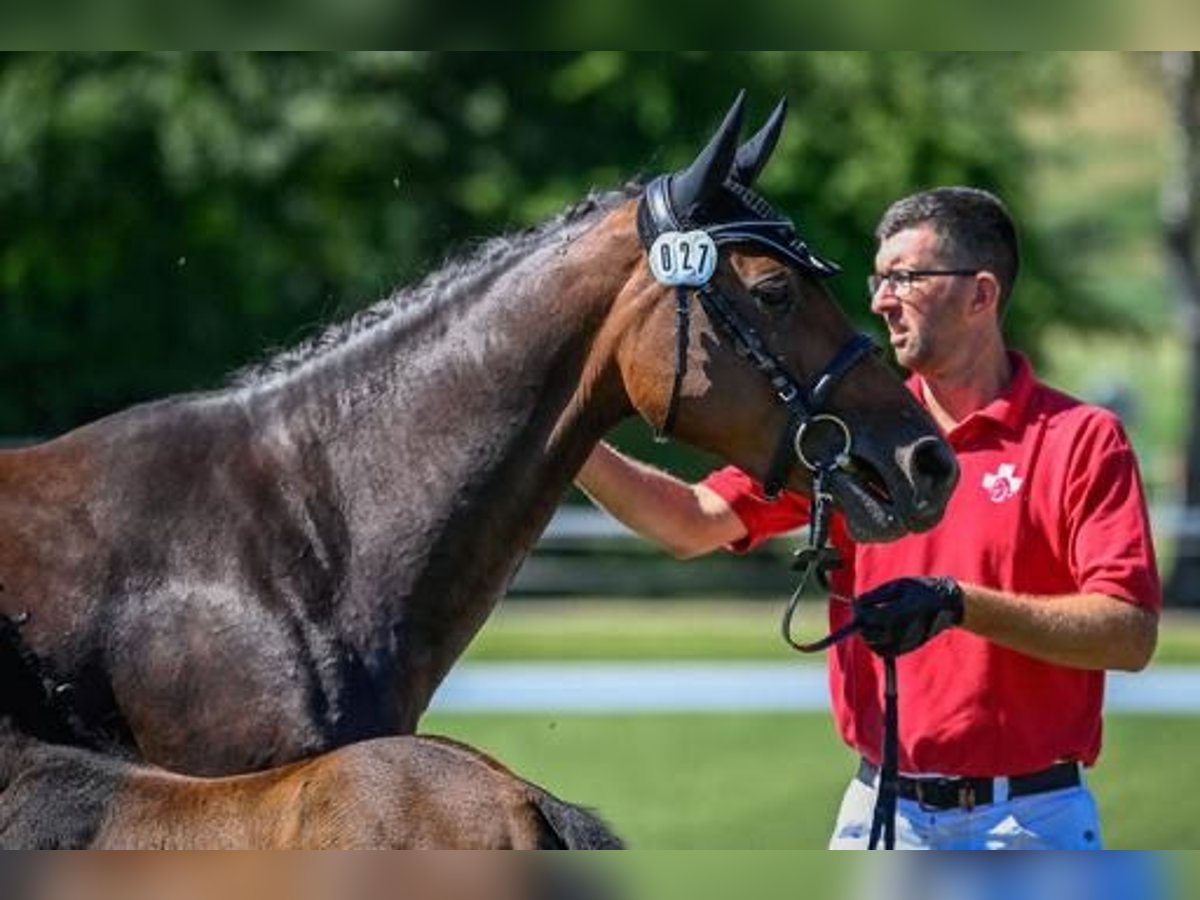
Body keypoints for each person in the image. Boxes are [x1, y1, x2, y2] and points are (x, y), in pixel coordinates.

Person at [575, 187, 1161, 850]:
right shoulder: (848, 436)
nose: (881, 299)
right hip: (883, 816)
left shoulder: (1081, 439)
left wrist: (956, 605)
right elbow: (688, 520)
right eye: (879, 277)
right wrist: (561, 436)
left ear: (981, 294)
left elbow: (1127, 634)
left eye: (906, 277)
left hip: (1027, 823)